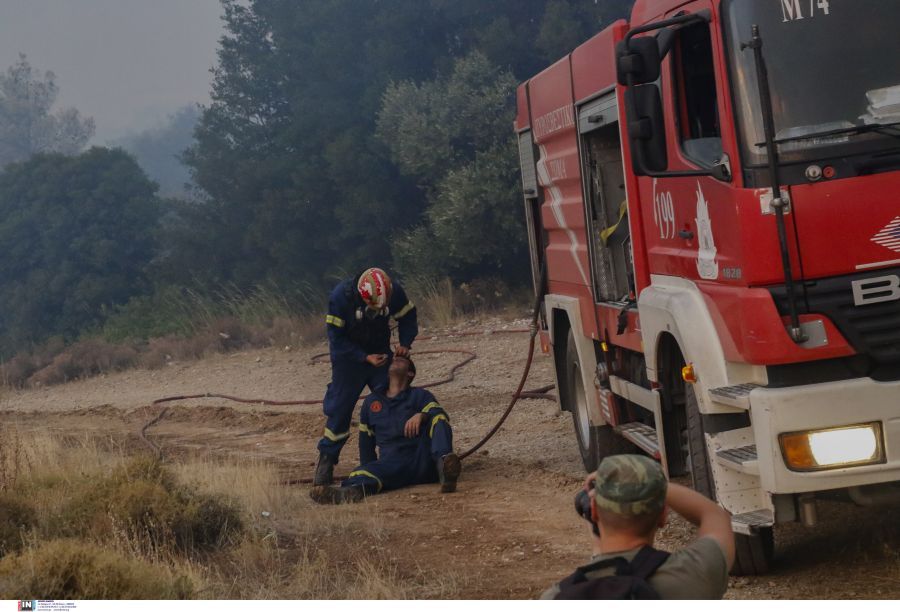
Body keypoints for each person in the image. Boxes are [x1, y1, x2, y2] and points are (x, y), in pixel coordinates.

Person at [541, 454, 735, 600]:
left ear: (593, 511)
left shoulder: (557, 596)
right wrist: (650, 486)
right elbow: (714, 515)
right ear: (663, 516)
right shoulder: (695, 573)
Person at [314, 267, 418, 486]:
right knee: (341, 408)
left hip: (380, 353)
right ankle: (327, 460)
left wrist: (405, 344)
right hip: (348, 360)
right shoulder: (340, 298)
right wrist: (363, 357)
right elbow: (336, 339)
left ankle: (401, 453)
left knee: (392, 398)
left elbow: (408, 316)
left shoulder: (393, 291)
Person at [310, 355, 460, 504]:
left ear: (410, 373)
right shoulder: (371, 402)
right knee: (360, 472)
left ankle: (445, 470)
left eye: (402, 361)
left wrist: (423, 415)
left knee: (439, 419)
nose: (396, 360)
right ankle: (349, 493)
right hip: (393, 463)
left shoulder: (420, 395)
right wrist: (371, 468)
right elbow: (366, 443)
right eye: (394, 360)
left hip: (423, 461)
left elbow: (440, 415)